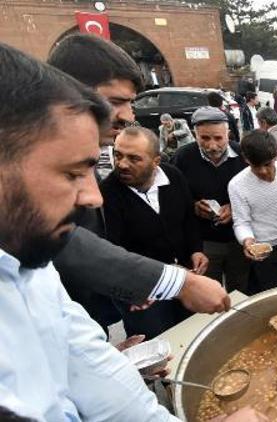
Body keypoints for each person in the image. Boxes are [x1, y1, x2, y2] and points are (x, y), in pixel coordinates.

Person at [47, 34, 229, 330]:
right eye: (117, 102)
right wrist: (172, 282)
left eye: (130, 104)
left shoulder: (173, 176)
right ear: (67, 93)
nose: (129, 116)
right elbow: (68, 243)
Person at [101, 126, 205, 339]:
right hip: (144, 294)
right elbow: (114, 253)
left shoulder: (174, 176)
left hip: (184, 280)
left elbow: (188, 219)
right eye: (117, 155)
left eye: (134, 158)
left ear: (156, 162)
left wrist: (196, 250)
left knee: (191, 333)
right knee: (159, 346)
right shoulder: (106, 194)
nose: (121, 164)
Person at [171, 107, 249, 293]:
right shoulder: (183, 158)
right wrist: (193, 206)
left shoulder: (243, 155)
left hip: (239, 241)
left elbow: (258, 193)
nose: (212, 146)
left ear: (228, 134)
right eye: (205, 138)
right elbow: (173, 199)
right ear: (194, 134)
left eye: (218, 138)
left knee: (239, 289)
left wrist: (234, 208)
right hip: (204, 243)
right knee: (208, 292)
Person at [229, 130, 277, 293]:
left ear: (276, 155)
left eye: (267, 164)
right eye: (256, 166)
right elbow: (241, 221)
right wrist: (247, 241)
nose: (263, 171)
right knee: (272, 296)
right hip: (265, 252)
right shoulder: (237, 185)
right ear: (246, 159)